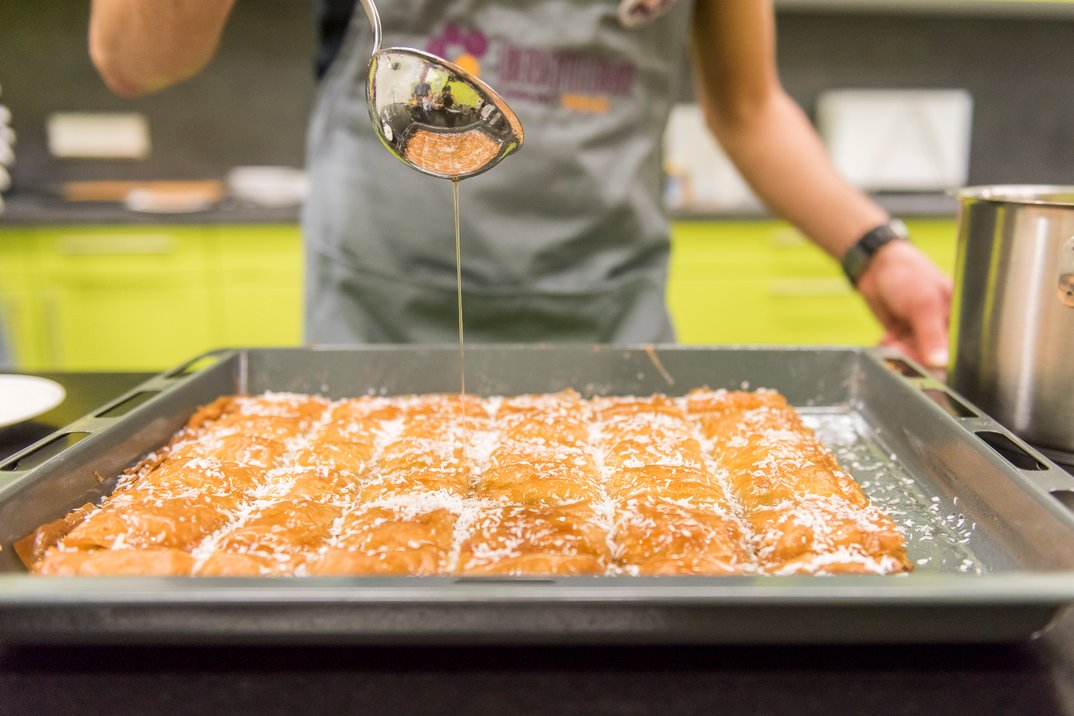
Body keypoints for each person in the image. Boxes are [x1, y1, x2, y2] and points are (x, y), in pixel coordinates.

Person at [87, 0, 951, 366]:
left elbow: (750, 108)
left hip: (612, 324)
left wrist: (876, 251)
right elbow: (130, 60)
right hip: (379, 327)